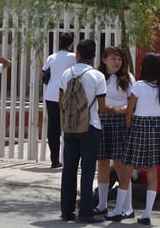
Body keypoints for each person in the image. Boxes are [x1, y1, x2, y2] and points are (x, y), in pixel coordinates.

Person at [59, 39, 121, 223]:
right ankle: (86, 211)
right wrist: (115, 109)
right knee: (87, 169)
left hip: (70, 128)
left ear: (77, 54)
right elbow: (102, 107)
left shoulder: (66, 74)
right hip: (90, 126)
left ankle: (66, 210)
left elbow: (60, 102)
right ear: (94, 56)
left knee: (68, 168)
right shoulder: (97, 76)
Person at [106, 53, 160, 226]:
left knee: (126, 171)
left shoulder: (140, 86)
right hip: (157, 129)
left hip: (139, 127)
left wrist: (130, 127)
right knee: (152, 170)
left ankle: (119, 210)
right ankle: (147, 214)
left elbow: (130, 111)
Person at [94, 46, 136, 218]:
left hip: (120, 121)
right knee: (102, 162)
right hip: (101, 120)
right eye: (113, 58)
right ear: (104, 60)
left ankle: (127, 207)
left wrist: (120, 110)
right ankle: (102, 204)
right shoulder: (98, 76)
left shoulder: (127, 78)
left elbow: (132, 102)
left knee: (120, 164)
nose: (117, 62)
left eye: (119, 59)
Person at [41, 32, 76, 168]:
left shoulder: (51, 57)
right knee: (70, 126)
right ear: (71, 44)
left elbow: (42, 75)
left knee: (53, 127)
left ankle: (54, 159)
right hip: (67, 94)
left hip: (51, 94)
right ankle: (69, 158)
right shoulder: (73, 57)